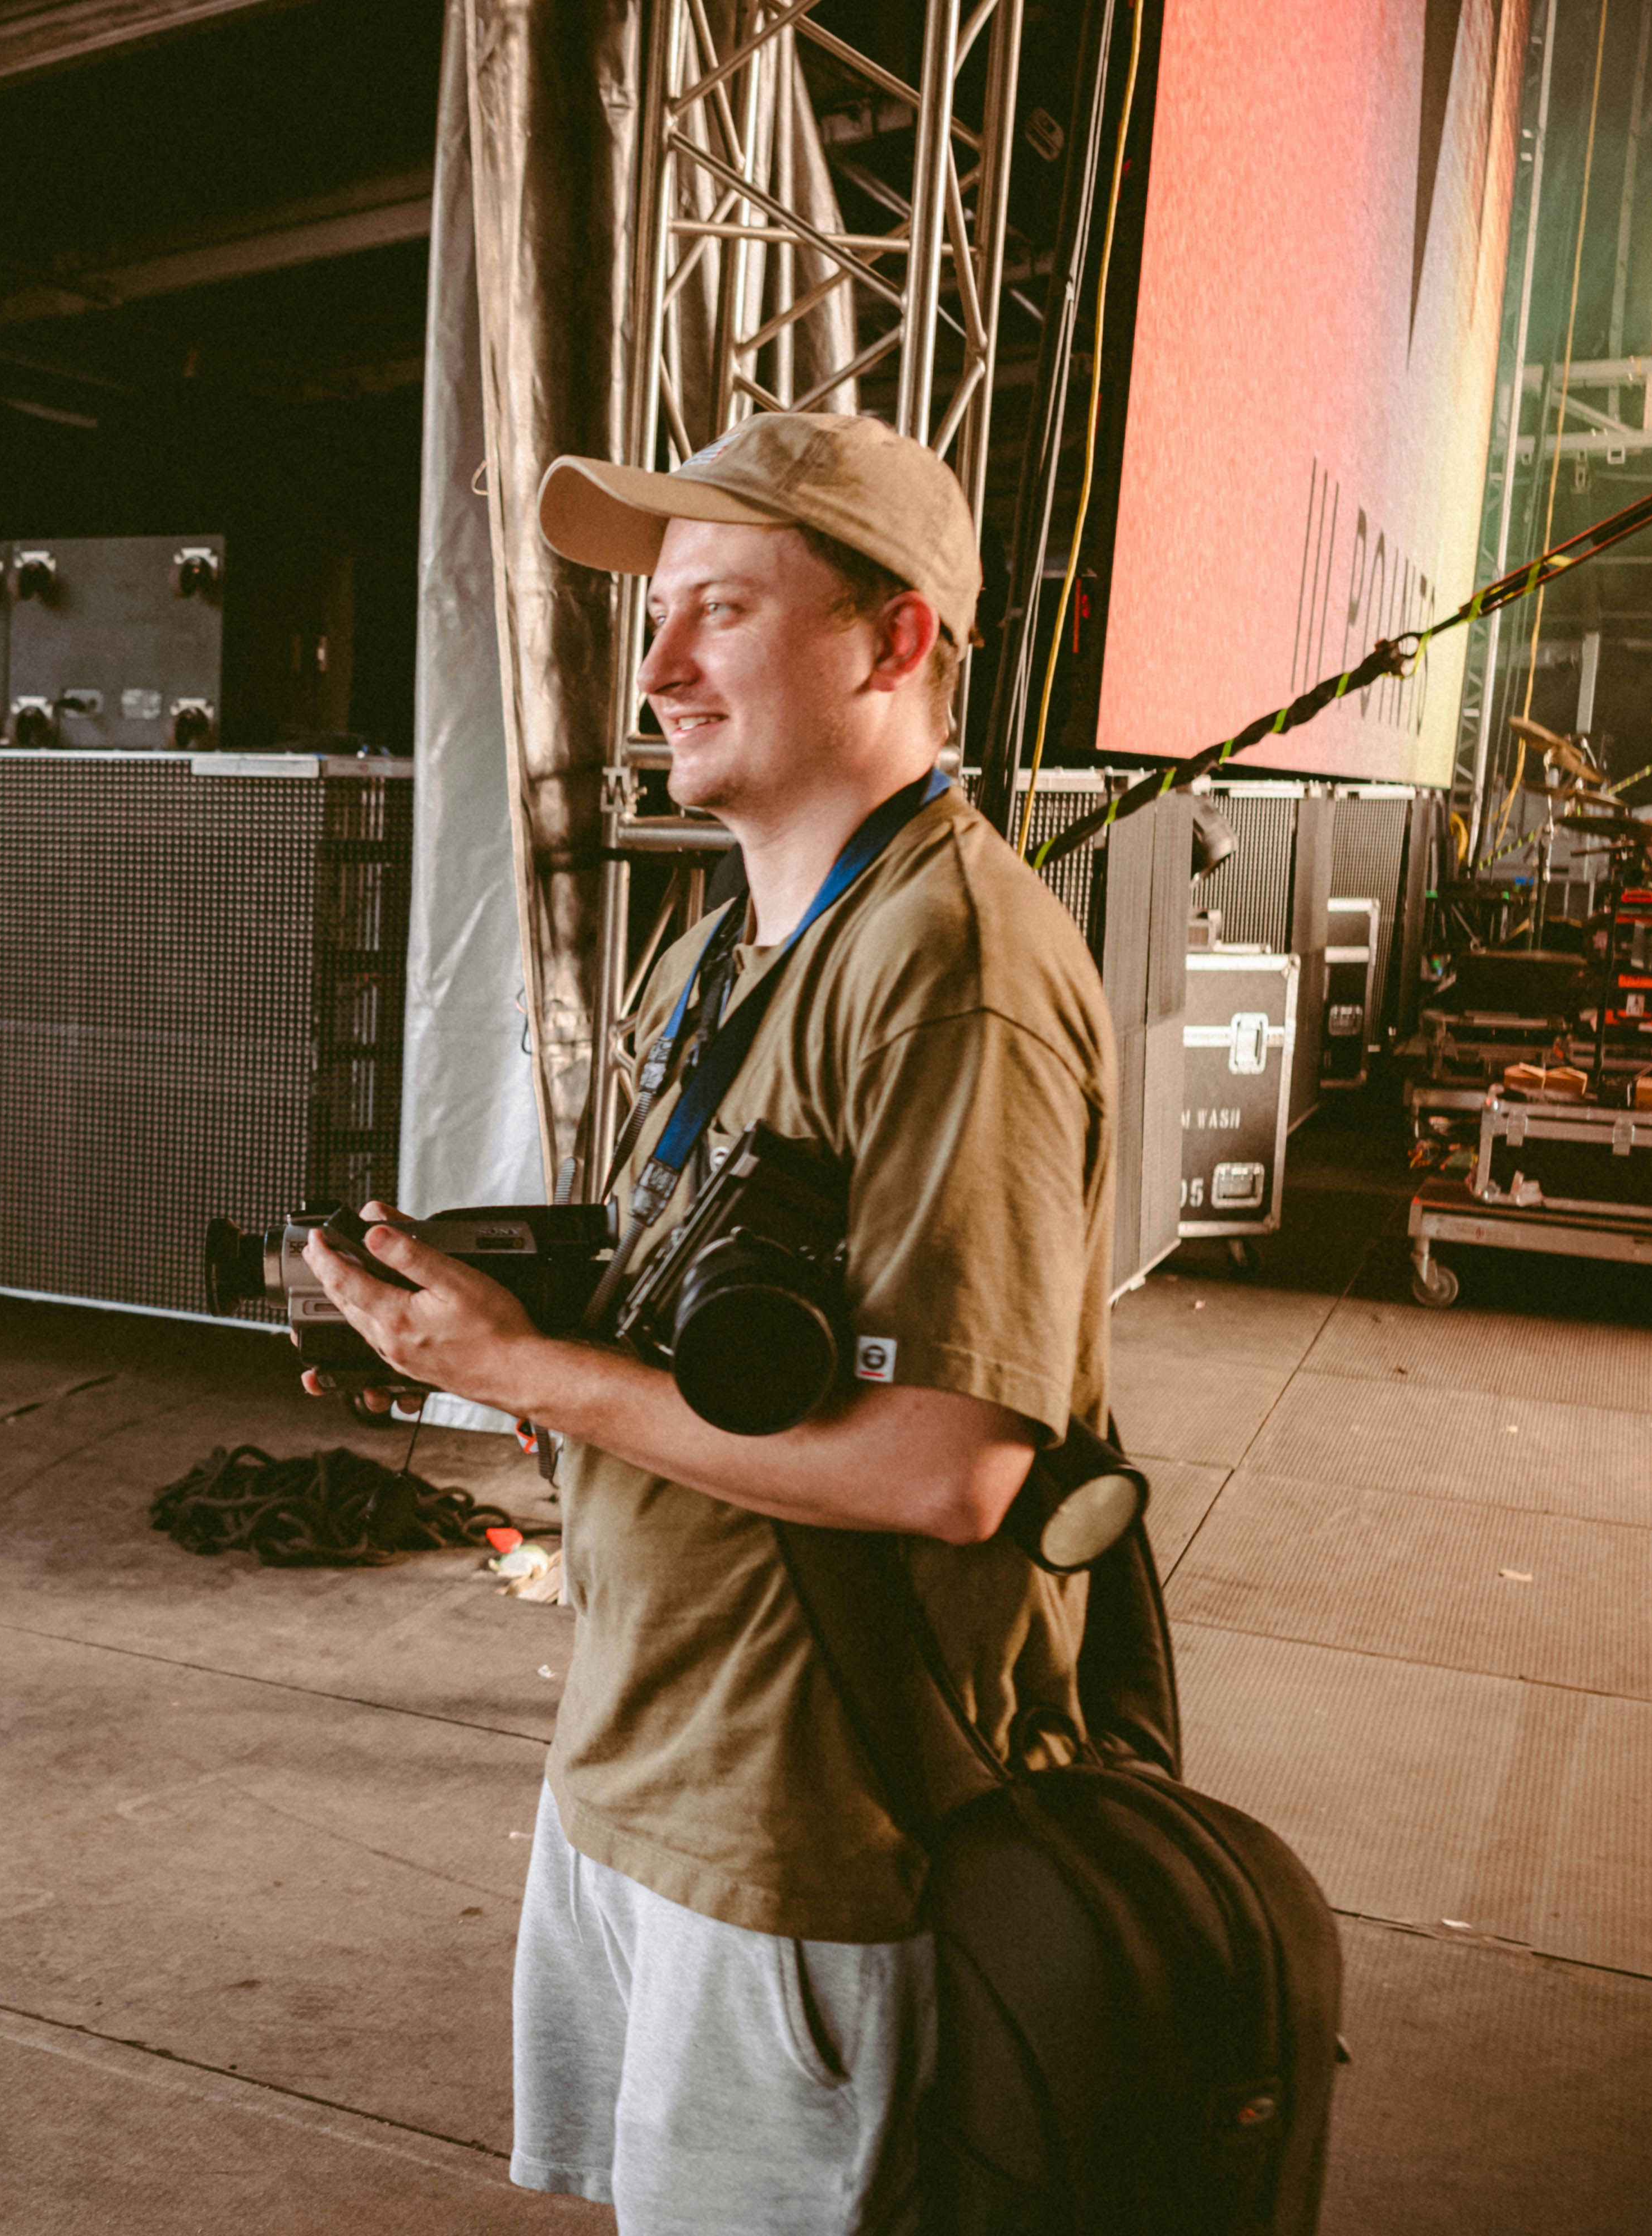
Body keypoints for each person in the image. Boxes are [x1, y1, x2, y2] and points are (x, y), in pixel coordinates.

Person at [300, 412, 1111, 2232]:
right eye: (650, 617)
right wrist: (492, 1332)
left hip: (807, 1824)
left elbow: (948, 1466)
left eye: (719, 612)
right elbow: (693, 1333)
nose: (654, 670)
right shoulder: (718, 946)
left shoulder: (948, 969)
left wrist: (517, 1368)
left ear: (893, 641)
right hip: (638, 1764)